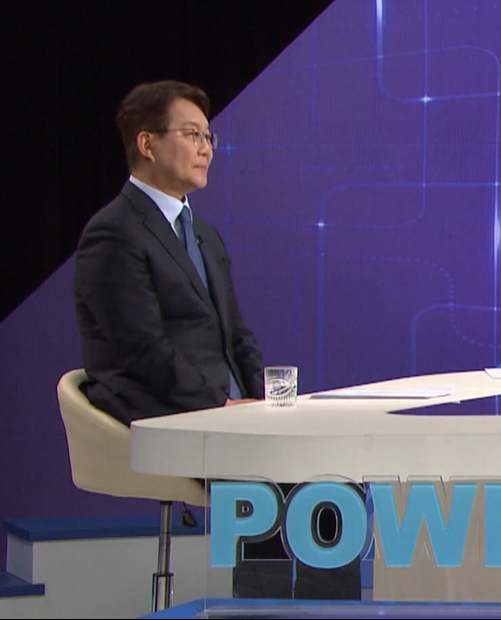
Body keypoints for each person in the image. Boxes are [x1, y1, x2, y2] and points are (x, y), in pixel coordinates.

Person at [73, 80, 359, 600]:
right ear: (147, 143)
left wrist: (268, 403)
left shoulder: (202, 233)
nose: (206, 148)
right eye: (192, 134)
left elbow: (237, 335)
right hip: (166, 411)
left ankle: (325, 613)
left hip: (226, 412)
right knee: (276, 481)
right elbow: (142, 350)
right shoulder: (114, 232)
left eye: (209, 137)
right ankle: (261, 611)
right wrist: (221, 406)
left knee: (337, 476)